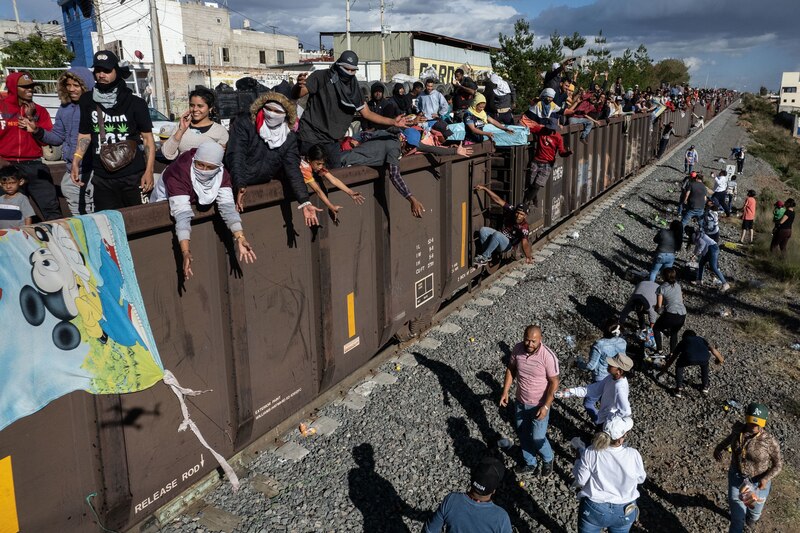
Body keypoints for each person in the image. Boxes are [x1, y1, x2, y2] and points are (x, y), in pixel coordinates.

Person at [292, 51, 406, 167]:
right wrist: (298, 85)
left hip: (332, 140)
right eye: (347, 69)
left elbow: (367, 113)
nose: (350, 73)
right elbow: (298, 94)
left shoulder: (353, 88)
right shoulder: (321, 77)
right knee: (308, 173)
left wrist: (392, 121)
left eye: (353, 70)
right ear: (339, 65)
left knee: (335, 171)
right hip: (311, 136)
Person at [73, 51, 155, 211]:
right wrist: (77, 159)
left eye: (107, 70)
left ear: (117, 71)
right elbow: (85, 134)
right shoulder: (87, 100)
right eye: (97, 70)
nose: (101, 74)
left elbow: (147, 139)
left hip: (132, 175)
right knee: (107, 224)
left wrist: (149, 171)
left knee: (139, 220)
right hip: (102, 177)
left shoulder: (136, 103)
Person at [162, 141, 256, 280]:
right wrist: (186, 251)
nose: (204, 170)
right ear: (195, 160)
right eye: (200, 165)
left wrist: (240, 237)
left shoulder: (222, 174)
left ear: (218, 167)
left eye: (210, 167)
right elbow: (182, 215)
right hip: (167, 202)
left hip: (193, 199)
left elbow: (228, 208)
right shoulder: (179, 172)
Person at [224, 91, 320, 225]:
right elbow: (236, 155)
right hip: (236, 183)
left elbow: (293, 169)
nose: (272, 113)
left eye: (277, 111)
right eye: (268, 109)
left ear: (286, 115)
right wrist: (239, 184)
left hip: (262, 182)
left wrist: (304, 200)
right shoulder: (245, 124)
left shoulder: (288, 137)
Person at [17, 67, 95, 216]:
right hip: (71, 172)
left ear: (86, 86)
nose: (71, 89)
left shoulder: (95, 107)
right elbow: (57, 137)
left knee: (99, 215)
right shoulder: (64, 108)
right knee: (79, 216)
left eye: (76, 85)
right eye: (68, 85)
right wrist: (36, 130)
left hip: (94, 171)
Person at [499, 325, 559, 477]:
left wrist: (546, 406)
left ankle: (548, 458)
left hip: (539, 404)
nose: (530, 344)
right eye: (527, 340)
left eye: (533, 341)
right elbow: (511, 369)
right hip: (520, 401)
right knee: (523, 433)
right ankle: (530, 462)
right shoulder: (518, 349)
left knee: (538, 437)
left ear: (540, 340)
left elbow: (554, 382)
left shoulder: (548, 357)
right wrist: (505, 391)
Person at [0, 71, 60, 220]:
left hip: (35, 165)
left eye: (32, 86)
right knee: (10, 214)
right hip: (7, 166)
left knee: (52, 210)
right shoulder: (2, 108)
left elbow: (47, 140)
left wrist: (33, 120)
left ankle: (60, 241)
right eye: (25, 87)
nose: (30, 90)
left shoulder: (40, 111)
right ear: (13, 87)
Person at [714, 403, 783, 533]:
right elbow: (730, 438)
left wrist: (766, 478)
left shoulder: (769, 441)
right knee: (737, 520)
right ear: (746, 418)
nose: (753, 426)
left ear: (764, 423)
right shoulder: (738, 430)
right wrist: (719, 448)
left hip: (758, 484)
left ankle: (752, 519)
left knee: (755, 511)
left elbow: (778, 464)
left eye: (758, 424)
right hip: (737, 479)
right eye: (751, 422)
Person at [572, 416, 646, 533]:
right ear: (621, 438)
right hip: (625, 509)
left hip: (595, 507)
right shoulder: (633, 454)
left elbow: (581, 480)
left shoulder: (591, 452)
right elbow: (641, 479)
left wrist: (577, 461)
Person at [339, 130, 426, 218]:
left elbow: (364, 134)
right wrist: (412, 199)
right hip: (346, 165)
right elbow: (395, 176)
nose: (410, 148)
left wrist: (356, 140)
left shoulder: (387, 134)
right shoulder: (394, 149)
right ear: (404, 140)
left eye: (413, 146)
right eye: (409, 145)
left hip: (344, 157)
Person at [423, 455, 512, 533]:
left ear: (471, 479)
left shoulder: (451, 500)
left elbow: (430, 530)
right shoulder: (501, 518)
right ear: (494, 490)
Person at [556, 353, 633, 427]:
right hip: (602, 418)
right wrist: (572, 391)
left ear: (619, 371)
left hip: (607, 424)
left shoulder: (619, 387)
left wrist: (610, 420)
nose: (608, 365)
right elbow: (594, 389)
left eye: (612, 365)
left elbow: (626, 411)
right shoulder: (611, 378)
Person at [300, 144, 366, 223]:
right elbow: (318, 190)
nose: (321, 167)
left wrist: (350, 192)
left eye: (322, 164)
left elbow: (333, 179)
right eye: (318, 164)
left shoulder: (315, 165)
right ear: (308, 159)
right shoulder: (305, 168)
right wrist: (331, 206)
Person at [161, 87, 229, 160]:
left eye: (200, 106)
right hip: (182, 169)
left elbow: (218, 159)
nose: (195, 109)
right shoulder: (181, 126)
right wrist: (181, 130)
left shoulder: (220, 131)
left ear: (210, 108)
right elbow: (167, 153)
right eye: (192, 105)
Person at [472, 184, 532, 265]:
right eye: (517, 213)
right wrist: (484, 188)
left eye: (521, 214)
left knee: (497, 234)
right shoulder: (511, 210)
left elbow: (525, 242)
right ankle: (488, 254)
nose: (518, 215)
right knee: (483, 230)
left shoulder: (524, 227)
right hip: (499, 238)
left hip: (507, 246)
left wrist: (528, 256)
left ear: (525, 215)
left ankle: (484, 257)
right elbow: (497, 200)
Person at [520, 116, 573, 206]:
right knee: (531, 183)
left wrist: (567, 153)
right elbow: (529, 128)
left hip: (547, 163)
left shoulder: (557, 137)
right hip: (536, 160)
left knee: (537, 184)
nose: (549, 130)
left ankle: (526, 202)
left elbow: (561, 152)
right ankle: (533, 198)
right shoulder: (541, 130)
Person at [657, 330, 724, 397]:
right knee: (705, 364)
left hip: (689, 358)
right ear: (695, 335)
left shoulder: (683, 341)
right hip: (704, 357)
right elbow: (713, 349)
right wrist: (720, 360)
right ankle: (705, 386)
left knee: (679, 365)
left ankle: (678, 389)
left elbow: (672, 359)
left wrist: (662, 372)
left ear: (684, 336)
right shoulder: (701, 339)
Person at [576, 319, 627, 385]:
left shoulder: (599, 344)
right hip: (616, 375)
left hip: (601, 377)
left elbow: (591, 366)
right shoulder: (623, 342)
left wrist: (579, 363)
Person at [653, 268, 687, 357]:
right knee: (674, 333)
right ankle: (672, 353)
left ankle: (659, 350)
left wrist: (656, 308)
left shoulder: (661, 288)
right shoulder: (678, 285)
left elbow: (658, 306)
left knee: (656, 328)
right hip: (682, 314)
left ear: (663, 276)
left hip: (671, 314)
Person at [687, 226, 730, 292]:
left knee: (713, 267)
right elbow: (698, 245)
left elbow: (702, 244)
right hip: (709, 249)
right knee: (701, 263)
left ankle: (725, 284)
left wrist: (697, 254)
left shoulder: (695, 235)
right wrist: (694, 255)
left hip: (712, 248)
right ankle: (699, 280)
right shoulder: (696, 234)